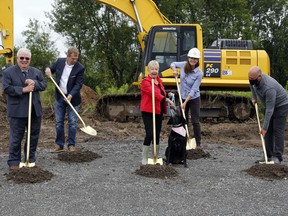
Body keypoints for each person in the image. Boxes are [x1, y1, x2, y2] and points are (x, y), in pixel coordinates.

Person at [2, 48, 47, 170]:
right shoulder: (8, 72)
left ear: (30, 59)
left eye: (27, 58)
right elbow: (7, 88)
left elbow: (44, 84)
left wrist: (35, 83)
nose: (24, 60)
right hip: (17, 111)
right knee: (16, 137)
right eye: (21, 58)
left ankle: (30, 159)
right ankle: (14, 162)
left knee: (33, 136)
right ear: (17, 58)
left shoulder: (36, 72)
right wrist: (23, 90)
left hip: (34, 110)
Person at [45, 47, 85, 153]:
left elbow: (78, 84)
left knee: (72, 122)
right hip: (60, 97)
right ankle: (59, 145)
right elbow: (50, 69)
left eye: (76, 59)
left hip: (73, 99)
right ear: (67, 56)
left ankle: (71, 145)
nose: (75, 61)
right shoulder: (59, 62)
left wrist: (71, 95)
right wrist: (48, 70)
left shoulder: (80, 68)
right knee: (59, 122)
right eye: (73, 59)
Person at [248, 66, 288, 164]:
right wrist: (254, 97)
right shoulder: (253, 80)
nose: (250, 81)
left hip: (281, 105)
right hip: (269, 104)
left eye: (252, 79)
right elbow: (251, 85)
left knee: (277, 130)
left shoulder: (269, 87)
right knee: (268, 132)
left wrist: (264, 127)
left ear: (259, 77)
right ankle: (267, 155)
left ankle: (277, 157)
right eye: (249, 78)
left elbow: (270, 109)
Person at [140, 60, 174, 165]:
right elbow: (155, 94)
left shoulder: (159, 81)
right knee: (150, 133)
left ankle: (155, 156)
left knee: (157, 134)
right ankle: (145, 158)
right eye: (152, 69)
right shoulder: (145, 82)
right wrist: (166, 100)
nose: (154, 71)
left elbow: (161, 92)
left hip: (158, 111)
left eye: (156, 69)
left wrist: (167, 95)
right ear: (148, 70)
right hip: (148, 111)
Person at [170, 47, 203, 149]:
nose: (193, 60)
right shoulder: (184, 65)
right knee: (183, 120)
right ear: (188, 58)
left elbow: (193, 90)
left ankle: (198, 144)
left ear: (197, 60)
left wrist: (185, 102)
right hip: (182, 96)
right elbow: (172, 64)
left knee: (195, 121)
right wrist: (175, 70)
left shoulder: (199, 73)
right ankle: (183, 141)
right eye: (191, 58)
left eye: (195, 59)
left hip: (194, 98)